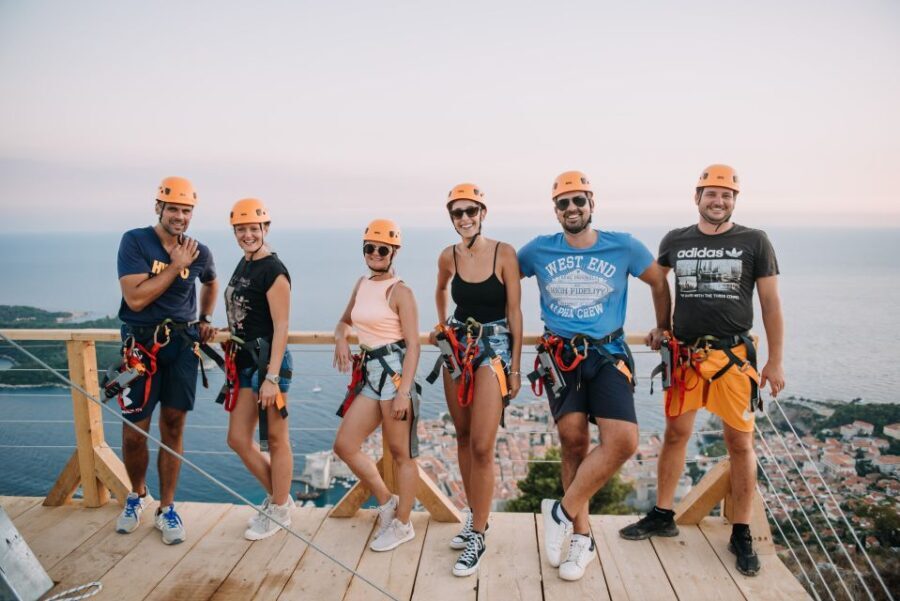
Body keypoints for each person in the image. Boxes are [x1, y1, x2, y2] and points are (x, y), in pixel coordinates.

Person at [619, 164, 784, 577]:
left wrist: (775, 361)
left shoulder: (754, 241)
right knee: (675, 434)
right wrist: (661, 325)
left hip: (733, 358)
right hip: (687, 356)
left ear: (734, 201)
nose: (719, 201)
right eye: (712, 194)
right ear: (697, 198)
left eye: (727, 195)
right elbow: (660, 284)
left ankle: (742, 530)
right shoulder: (675, 240)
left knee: (740, 444)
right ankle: (662, 514)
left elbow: (770, 305)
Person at [518, 170, 670, 581]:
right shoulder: (538, 250)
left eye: (578, 201)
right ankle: (580, 538)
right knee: (573, 442)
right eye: (564, 203)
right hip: (560, 356)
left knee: (623, 441)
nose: (572, 209)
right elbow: (499, 278)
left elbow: (658, 281)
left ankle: (560, 513)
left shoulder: (623, 245)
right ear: (555, 210)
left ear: (591, 204)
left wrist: (664, 325)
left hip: (607, 353)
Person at [114, 176, 217, 544]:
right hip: (139, 347)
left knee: (173, 426)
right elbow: (136, 299)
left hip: (182, 346)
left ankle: (167, 508)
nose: (179, 216)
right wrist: (175, 266)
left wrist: (204, 318)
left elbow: (210, 280)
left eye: (186, 210)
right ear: (159, 207)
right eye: (173, 208)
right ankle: (137, 494)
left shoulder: (199, 250)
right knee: (133, 432)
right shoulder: (135, 241)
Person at [429, 183, 522, 576]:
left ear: (483, 212)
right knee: (462, 437)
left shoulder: (504, 253)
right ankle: (472, 515)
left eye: (471, 211)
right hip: (458, 344)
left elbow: (515, 311)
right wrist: (440, 324)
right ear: (451, 218)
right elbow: (440, 290)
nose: (464, 218)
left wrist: (516, 367)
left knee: (483, 445)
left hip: (495, 346)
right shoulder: (447, 256)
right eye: (457, 213)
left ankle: (479, 533)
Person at [332, 219, 421, 552]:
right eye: (370, 248)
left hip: (394, 374)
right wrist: (341, 339)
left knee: (401, 454)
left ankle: (403, 524)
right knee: (345, 444)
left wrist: (403, 392)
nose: (376, 254)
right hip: (370, 372)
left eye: (383, 249)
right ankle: (386, 502)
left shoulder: (401, 292)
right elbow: (344, 322)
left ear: (394, 252)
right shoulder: (363, 283)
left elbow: (413, 344)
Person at [222, 198, 294, 541]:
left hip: (267, 365)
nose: (248, 234)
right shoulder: (245, 262)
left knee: (277, 441)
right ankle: (281, 499)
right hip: (243, 362)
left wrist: (272, 377)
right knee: (238, 439)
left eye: (254, 228)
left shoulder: (273, 270)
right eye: (241, 229)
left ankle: (280, 508)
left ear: (265, 229)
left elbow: (281, 326)